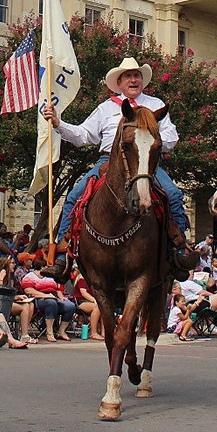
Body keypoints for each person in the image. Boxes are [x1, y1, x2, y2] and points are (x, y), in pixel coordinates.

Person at [43, 56, 195, 274]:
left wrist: (149, 139)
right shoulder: (106, 108)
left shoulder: (156, 105)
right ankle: (61, 256)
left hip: (144, 162)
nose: (133, 80)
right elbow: (83, 135)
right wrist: (58, 123)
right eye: (128, 76)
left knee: (173, 194)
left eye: (136, 76)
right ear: (120, 82)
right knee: (74, 197)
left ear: (142, 81)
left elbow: (171, 137)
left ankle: (179, 251)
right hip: (109, 161)